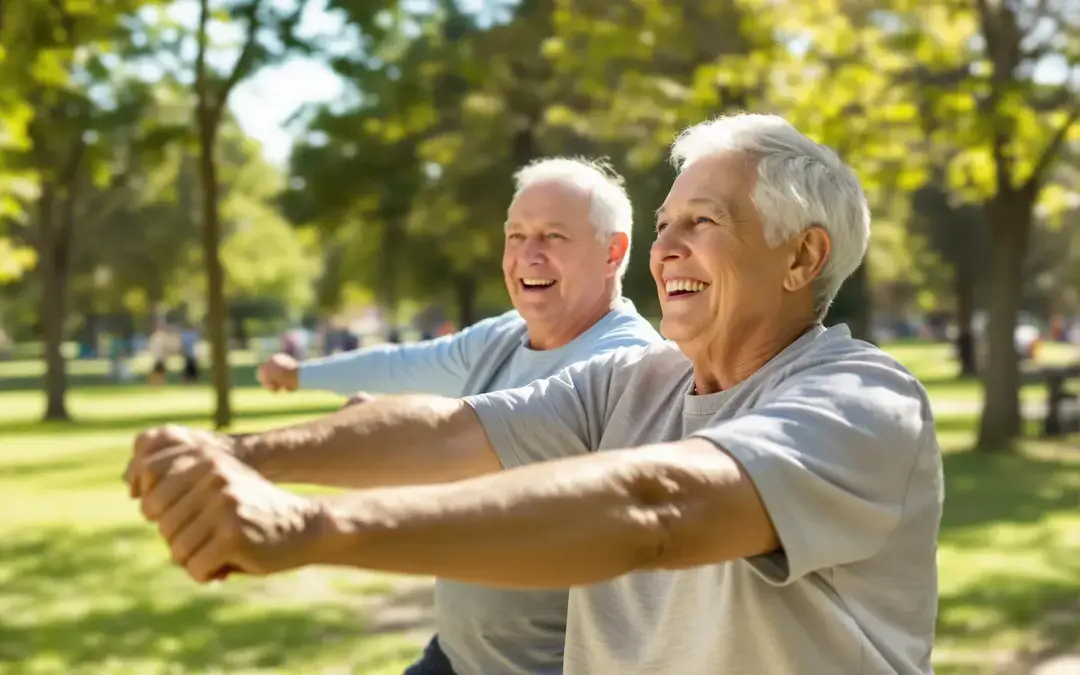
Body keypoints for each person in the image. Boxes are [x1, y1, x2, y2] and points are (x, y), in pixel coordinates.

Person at [127, 113, 943, 674]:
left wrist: (312, 528)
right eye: (664, 225)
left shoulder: (861, 399)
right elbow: (450, 432)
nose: (665, 249)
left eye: (703, 222)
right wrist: (239, 453)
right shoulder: (637, 381)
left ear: (802, 258)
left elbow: (658, 508)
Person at [254, 156, 663, 675]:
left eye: (553, 236)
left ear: (613, 251)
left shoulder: (628, 361)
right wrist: (301, 375)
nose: (528, 255)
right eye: (516, 236)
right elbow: (405, 365)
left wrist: (384, 432)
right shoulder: (504, 336)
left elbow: (510, 467)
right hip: (456, 656)